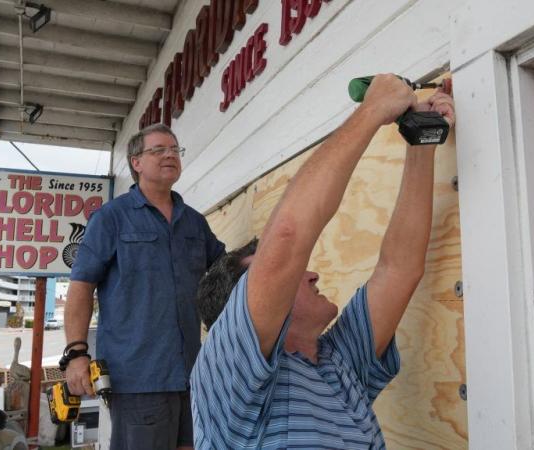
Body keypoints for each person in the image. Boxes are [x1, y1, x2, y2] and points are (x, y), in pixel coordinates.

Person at [191, 74, 455, 449]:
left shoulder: (338, 358)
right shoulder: (228, 377)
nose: (311, 273)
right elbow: (286, 236)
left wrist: (422, 141)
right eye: (291, 275)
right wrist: (373, 109)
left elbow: (399, 269)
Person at [64, 123, 225, 450]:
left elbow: (226, 268)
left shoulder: (194, 222)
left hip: (193, 375)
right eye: (159, 150)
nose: (170, 155)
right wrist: (76, 353)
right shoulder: (111, 218)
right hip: (138, 377)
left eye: (175, 150)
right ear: (136, 162)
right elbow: (81, 286)